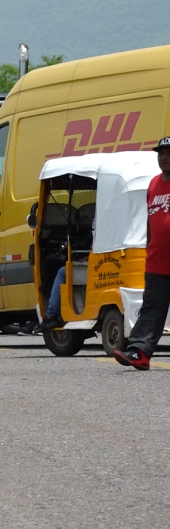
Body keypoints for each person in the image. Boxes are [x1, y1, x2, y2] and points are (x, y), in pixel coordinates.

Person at [114, 137, 170, 370]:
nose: (165, 158)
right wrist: (149, 248)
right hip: (157, 262)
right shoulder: (153, 185)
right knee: (151, 310)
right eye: (161, 154)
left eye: (169, 154)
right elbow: (151, 220)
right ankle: (139, 353)